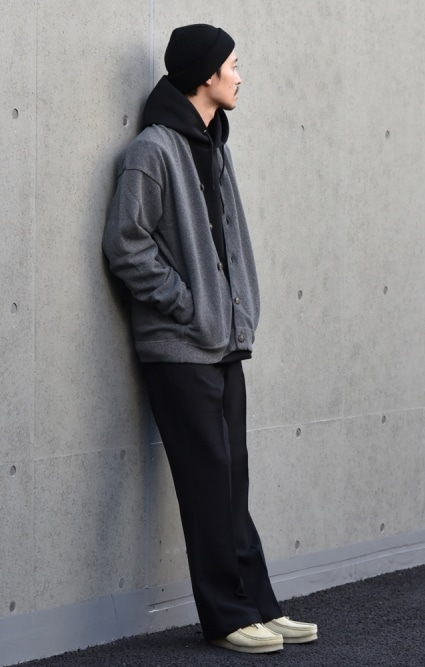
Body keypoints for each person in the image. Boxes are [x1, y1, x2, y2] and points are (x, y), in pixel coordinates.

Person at [102, 23, 317, 654]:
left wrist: (229, 312)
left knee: (231, 482)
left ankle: (258, 605)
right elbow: (125, 244)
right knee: (206, 485)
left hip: (222, 342)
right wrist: (188, 305)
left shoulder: (213, 145)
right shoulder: (152, 151)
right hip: (179, 347)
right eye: (233, 65)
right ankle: (225, 617)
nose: (240, 77)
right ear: (206, 74)